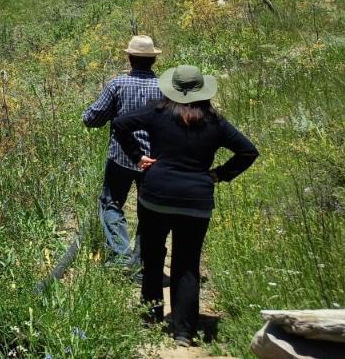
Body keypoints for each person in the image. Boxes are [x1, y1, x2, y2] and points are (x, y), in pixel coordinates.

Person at [112, 64, 258, 346]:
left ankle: (151, 315)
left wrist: (137, 157)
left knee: (153, 256)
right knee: (187, 264)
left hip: (156, 195)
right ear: (203, 91)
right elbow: (248, 151)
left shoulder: (158, 112)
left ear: (173, 89)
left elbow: (120, 124)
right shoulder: (215, 122)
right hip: (196, 200)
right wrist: (219, 174)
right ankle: (183, 331)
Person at [82, 34, 163, 267]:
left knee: (111, 203)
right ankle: (140, 263)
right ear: (153, 61)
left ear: (130, 58)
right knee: (149, 212)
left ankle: (120, 255)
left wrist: (86, 117)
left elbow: (93, 118)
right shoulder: (164, 88)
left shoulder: (117, 85)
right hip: (154, 161)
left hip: (121, 158)